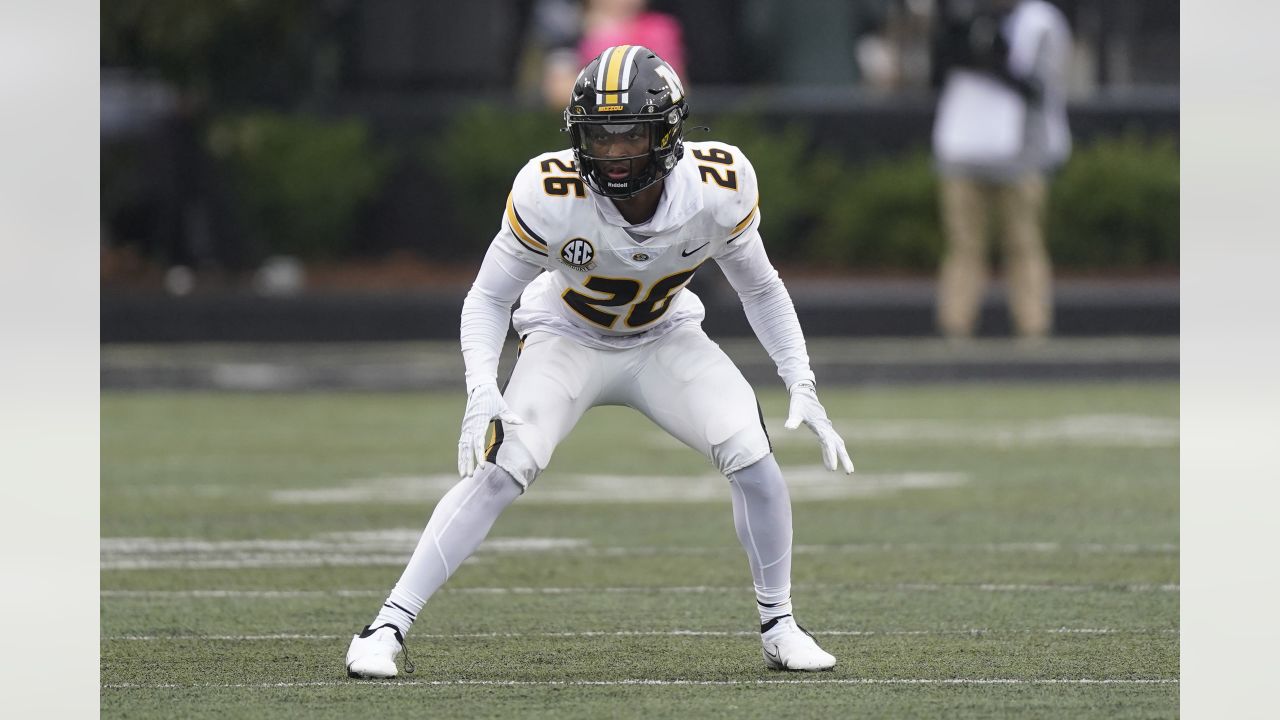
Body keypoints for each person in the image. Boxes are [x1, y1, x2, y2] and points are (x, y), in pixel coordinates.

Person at [344, 46, 853, 678]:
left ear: (667, 133)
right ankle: (385, 626)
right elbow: (487, 298)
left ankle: (780, 623)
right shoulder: (549, 189)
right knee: (503, 468)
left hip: (663, 337)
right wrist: (481, 385)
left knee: (752, 455)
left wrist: (799, 378)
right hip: (565, 336)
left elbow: (761, 287)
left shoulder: (718, 184)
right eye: (598, 137)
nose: (612, 154)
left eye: (630, 135)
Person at [930, 0, 1072, 341]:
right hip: (962, 150)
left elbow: (1040, 85)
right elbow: (940, 69)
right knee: (964, 245)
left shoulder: (1040, 22)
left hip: (1018, 154)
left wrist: (993, 56)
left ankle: (1033, 328)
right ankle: (955, 328)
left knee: (1023, 243)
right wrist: (965, 42)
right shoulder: (964, 16)